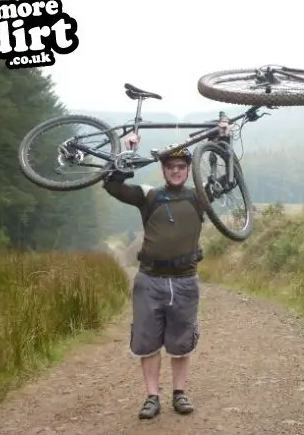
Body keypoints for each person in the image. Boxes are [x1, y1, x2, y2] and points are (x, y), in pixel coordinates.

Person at [103, 133, 205, 420]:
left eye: (181, 166)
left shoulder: (199, 196)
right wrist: (127, 152)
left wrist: (223, 138)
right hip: (150, 281)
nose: (175, 170)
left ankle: (179, 393)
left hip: (185, 280)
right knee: (147, 341)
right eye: (170, 166)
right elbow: (112, 186)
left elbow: (229, 179)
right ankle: (151, 397)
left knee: (181, 341)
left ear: (188, 169)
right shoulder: (149, 195)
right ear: (163, 169)